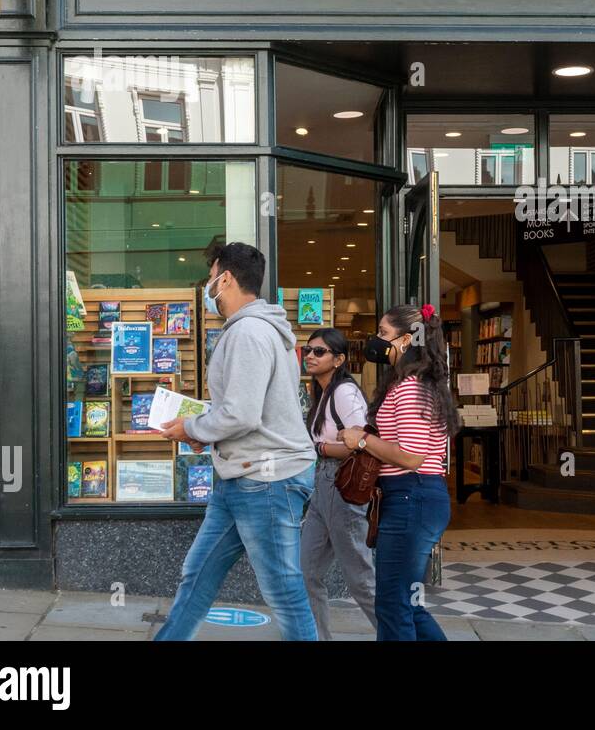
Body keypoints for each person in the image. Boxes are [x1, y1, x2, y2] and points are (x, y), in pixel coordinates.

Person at [155, 242, 318, 641]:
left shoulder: (247, 332)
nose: (207, 288)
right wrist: (204, 431)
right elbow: (240, 409)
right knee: (198, 574)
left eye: (210, 278)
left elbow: (242, 414)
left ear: (225, 278)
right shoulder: (259, 330)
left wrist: (192, 429)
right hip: (242, 479)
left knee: (283, 590)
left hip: (265, 480)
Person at [339, 303, 459, 641]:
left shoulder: (409, 388)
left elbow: (411, 456)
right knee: (405, 603)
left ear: (406, 340)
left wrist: (361, 440)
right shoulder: (416, 384)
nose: (376, 341)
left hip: (411, 497)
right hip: (413, 498)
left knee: (393, 604)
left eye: (383, 334)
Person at [299, 327, 378, 639]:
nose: (310, 356)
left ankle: (396, 633)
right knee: (306, 571)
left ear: (339, 359)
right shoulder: (322, 392)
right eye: (308, 350)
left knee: (360, 578)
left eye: (319, 351)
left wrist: (320, 449)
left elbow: (362, 442)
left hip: (342, 483)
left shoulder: (343, 392)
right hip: (323, 485)